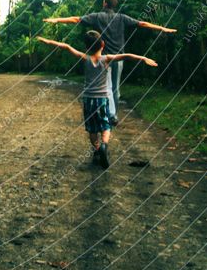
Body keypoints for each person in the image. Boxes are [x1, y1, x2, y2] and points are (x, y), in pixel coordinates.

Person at [43, 0, 176, 124]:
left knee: (104, 88)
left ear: (104, 4)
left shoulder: (96, 16)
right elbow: (142, 23)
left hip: (103, 59)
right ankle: (113, 115)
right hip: (118, 58)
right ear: (114, 6)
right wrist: (161, 28)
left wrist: (57, 20)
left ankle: (104, 114)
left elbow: (76, 19)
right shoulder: (122, 18)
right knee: (115, 88)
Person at [36, 31, 157, 168]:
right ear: (103, 44)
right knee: (106, 126)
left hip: (88, 99)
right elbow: (127, 55)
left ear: (87, 48)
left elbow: (66, 46)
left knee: (92, 129)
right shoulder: (106, 59)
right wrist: (143, 58)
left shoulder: (85, 58)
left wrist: (46, 41)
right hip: (102, 99)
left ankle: (98, 150)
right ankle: (104, 145)